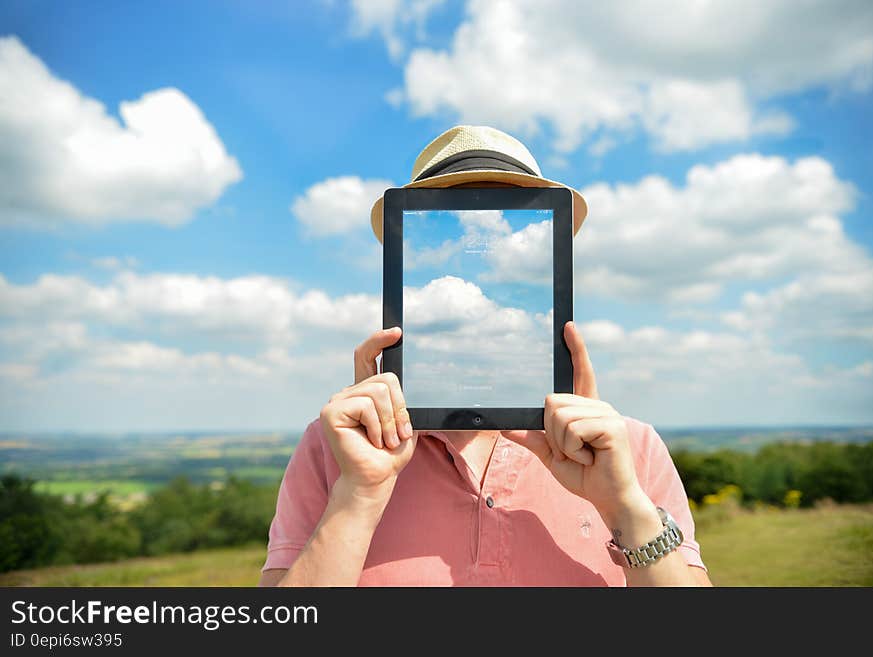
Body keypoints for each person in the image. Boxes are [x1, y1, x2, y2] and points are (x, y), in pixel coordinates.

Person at [259, 126, 712, 586]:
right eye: (444, 229)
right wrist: (357, 495)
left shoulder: (631, 450)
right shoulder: (332, 449)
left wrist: (624, 506)